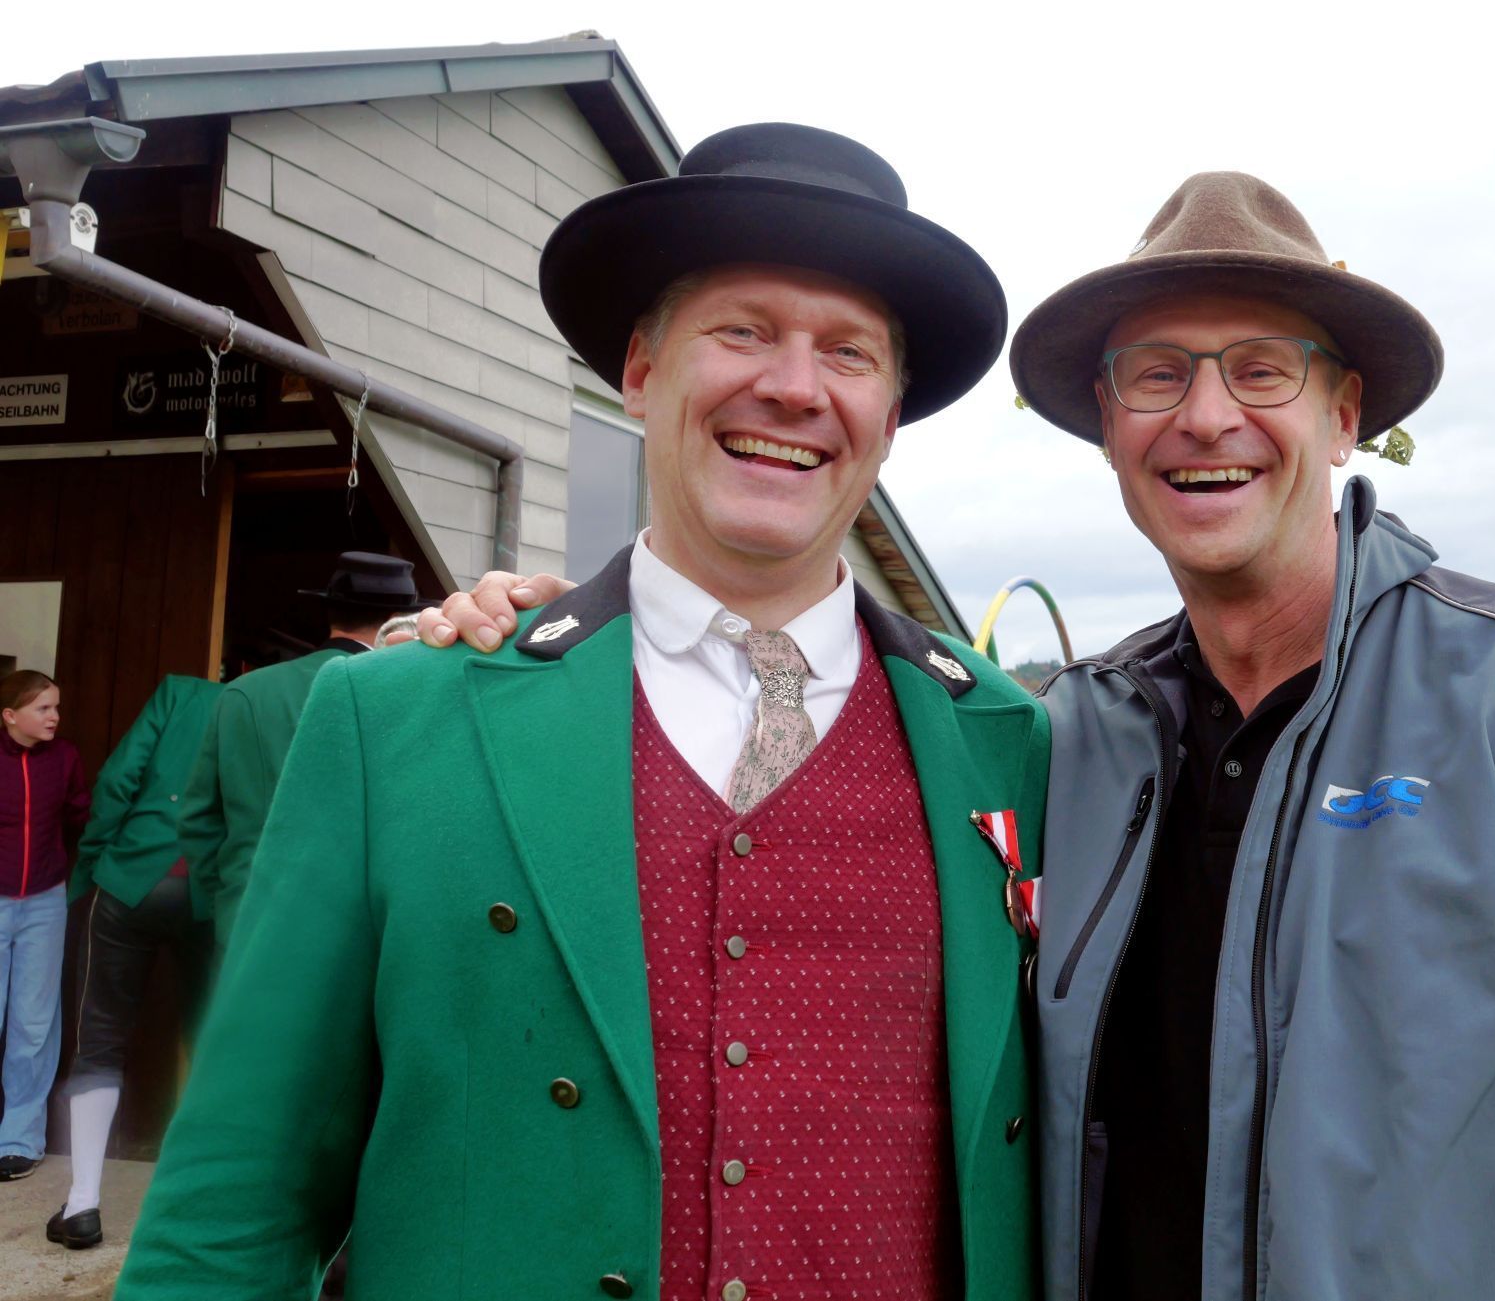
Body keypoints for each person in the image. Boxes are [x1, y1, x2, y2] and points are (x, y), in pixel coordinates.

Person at [439, 170, 1495, 1300]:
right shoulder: (1067, 739)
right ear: (1109, 424)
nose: (1209, 418)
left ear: (1343, 411)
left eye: (1264, 370)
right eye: (1157, 374)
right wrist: (552, 639)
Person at [118, 123, 1048, 1301]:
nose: (795, 387)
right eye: (743, 330)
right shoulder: (397, 718)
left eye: (849, 352)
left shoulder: (1014, 744)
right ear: (641, 370)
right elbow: (235, 1204)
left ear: (891, 408)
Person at [45, 672, 222, 1248]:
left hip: (132, 878)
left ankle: (83, 1205)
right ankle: (197, 1202)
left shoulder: (178, 693)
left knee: (99, 1040)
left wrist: (92, 864)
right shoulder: (264, 700)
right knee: (209, 1041)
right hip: (209, 892)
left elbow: (120, 779)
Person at [178, 552, 417, 950]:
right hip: (361, 933)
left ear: (330, 614)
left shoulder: (244, 691)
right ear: (396, 620)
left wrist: (222, 904)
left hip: (250, 919)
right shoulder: (406, 695)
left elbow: (198, 818)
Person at [0, 669, 87, 1182]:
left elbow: (81, 817)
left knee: (33, 1024)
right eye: (43, 709)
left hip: (45, 902)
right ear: (11, 715)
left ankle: (18, 1140)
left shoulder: (65, 759)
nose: (54, 717)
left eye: (56, 707)